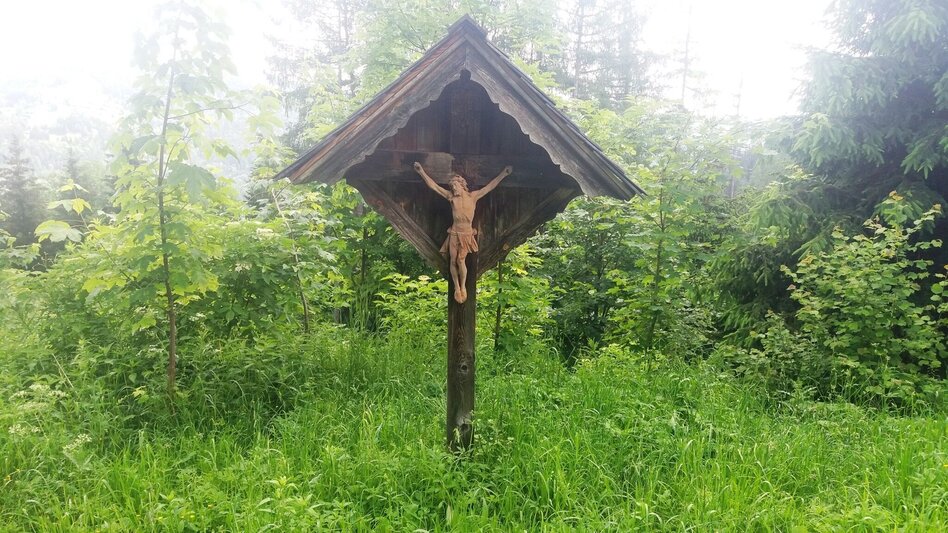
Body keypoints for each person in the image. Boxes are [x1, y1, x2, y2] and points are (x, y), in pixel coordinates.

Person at [413, 162, 513, 303]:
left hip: (466, 233)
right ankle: (457, 287)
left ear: (462, 185)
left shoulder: (473, 196)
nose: (454, 188)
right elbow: (434, 186)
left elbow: (489, 187)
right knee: (453, 261)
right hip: (454, 233)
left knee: (461, 260)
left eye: (456, 186)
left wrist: (504, 173)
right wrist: (421, 172)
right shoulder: (451, 198)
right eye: (452, 187)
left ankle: (463, 286)